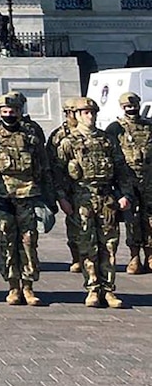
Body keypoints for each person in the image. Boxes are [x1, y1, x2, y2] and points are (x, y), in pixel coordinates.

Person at [0, 94, 66, 305]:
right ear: (0, 112)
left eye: (13, 111)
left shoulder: (31, 136)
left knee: (29, 243)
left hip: (29, 198)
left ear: (20, 111)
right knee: (6, 244)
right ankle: (12, 287)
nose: (9, 115)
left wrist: (49, 198)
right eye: (5, 111)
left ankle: (28, 286)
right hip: (3, 200)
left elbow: (44, 168)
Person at [56, 97, 134, 308]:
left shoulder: (107, 140)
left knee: (109, 246)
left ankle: (108, 290)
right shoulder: (68, 142)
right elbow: (58, 174)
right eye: (85, 113)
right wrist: (62, 198)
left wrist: (125, 194)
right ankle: (92, 288)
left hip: (106, 199)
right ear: (78, 115)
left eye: (93, 113)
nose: (90, 116)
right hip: (82, 199)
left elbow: (121, 170)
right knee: (87, 246)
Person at [105, 92, 152, 274]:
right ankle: (134, 257)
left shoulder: (149, 126)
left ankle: (149, 255)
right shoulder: (115, 128)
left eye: (133, 106)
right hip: (127, 180)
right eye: (127, 106)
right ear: (122, 107)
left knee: (149, 219)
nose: (131, 109)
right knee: (131, 219)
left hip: (149, 180)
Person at [47, 97, 83, 273]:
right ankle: (77, 257)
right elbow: (53, 166)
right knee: (74, 224)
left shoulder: (94, 133)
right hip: (69, 188)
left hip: (90, 187)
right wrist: (58, 194)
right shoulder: (59, 135)